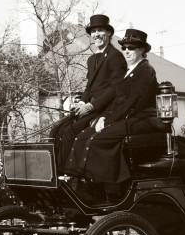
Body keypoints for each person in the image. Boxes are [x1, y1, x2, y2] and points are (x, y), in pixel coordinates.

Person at [64, 28, 162, 191]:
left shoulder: (145, 71)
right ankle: (79, 181)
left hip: (142, 120)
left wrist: (108, 121)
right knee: (82, 136)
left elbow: (131, 103)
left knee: (98, 139)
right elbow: (117, 102)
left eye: (131, 48)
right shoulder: (128, 72)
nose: (126, 51)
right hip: (127, 118)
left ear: (142, 50)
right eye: (124, 48)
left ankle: (110, 188)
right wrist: (101, 118)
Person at [50, 14, 127, 166]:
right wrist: (82, 102)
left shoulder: (115, 57)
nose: (96, 34)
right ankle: (55, 170)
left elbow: (115, 89)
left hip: (105, 109)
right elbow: (89, 87)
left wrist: (91, 106)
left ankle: (67, 174)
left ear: (109, 33)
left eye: (100, 31)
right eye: (93, 31)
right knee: (57, 129)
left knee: (71, 132)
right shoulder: (91, 60)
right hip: (90, 107)